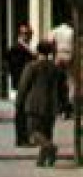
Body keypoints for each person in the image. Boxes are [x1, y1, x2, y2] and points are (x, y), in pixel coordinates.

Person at [16, 40, 66, 168]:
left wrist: (19, 102)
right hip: (52, 105)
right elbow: (62, 88)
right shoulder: (55, 68)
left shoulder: (32, 66)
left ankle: (50, 148)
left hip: (34, 104)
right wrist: (63, 105)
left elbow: (23, 86)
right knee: (47, 132)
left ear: (38, 51)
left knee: (33, 132)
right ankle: (42, 161)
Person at [6, 23, 36, 146]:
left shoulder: (27, 49)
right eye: (25, 34)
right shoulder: (16, 49)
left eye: (29, 34)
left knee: (24, 112)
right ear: (20, 34)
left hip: (25, 84)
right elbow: (15, 68)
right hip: (20, 84)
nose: (28, 36)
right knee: (21, 113)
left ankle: (25, 137)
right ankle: (21, 139)